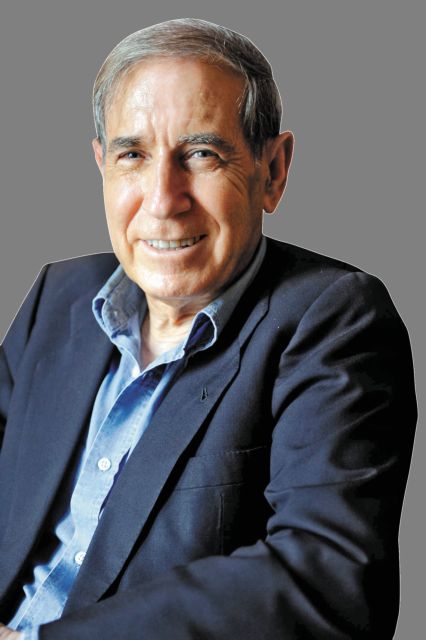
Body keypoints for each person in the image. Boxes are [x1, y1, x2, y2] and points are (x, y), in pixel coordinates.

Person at [0, 18, 416, 640]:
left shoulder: (335, 320)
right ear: (102, 166)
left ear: (272, 171)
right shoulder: (57, 298)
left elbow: (328, 580)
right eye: (133, 155)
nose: (163, 199)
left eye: (201, 155)